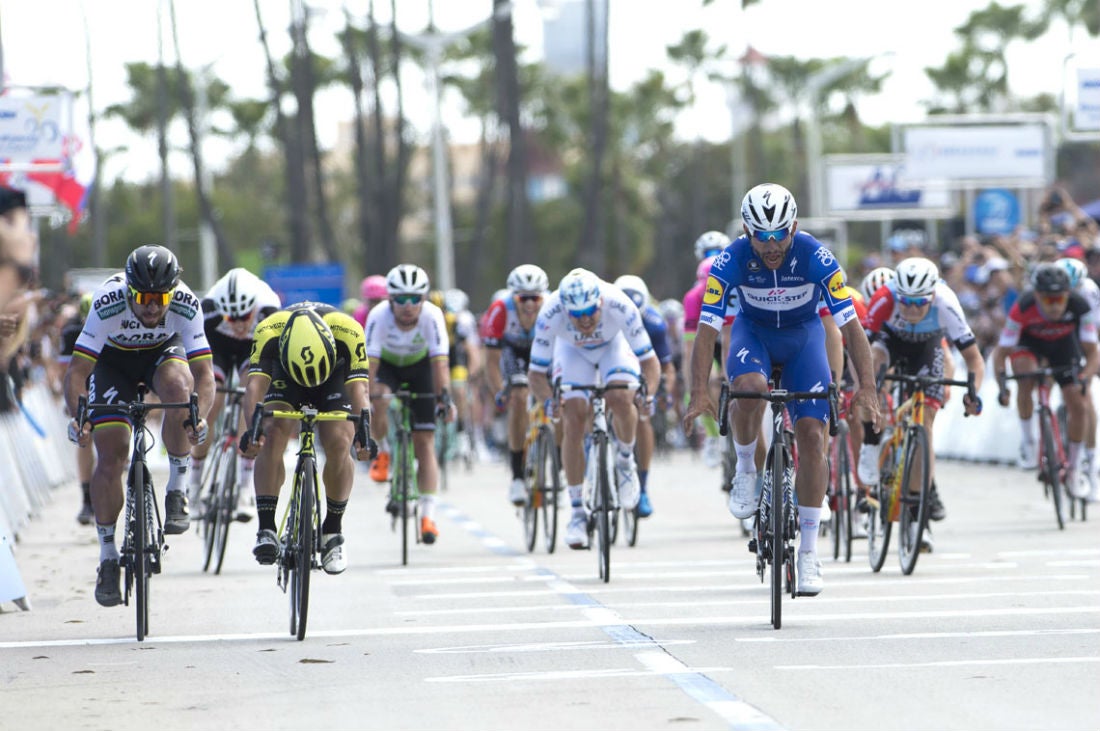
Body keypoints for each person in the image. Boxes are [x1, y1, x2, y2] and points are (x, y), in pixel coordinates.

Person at [682, 183, 883, 597]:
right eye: (762, 236)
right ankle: (745, 469)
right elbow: (706, 331)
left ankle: (808, 552)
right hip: (753, 334)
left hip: (802, 338)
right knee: (749, 388)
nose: (772, 245)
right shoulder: (730, 260)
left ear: (793, 227)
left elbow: (850, 327)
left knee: (811, 433)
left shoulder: (816, 256)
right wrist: (698, 391)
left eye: (780, 234)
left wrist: (867, 386)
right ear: (746, 231)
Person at [63, 245, 215, 608]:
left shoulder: (186, 303)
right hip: (112, 362)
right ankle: (107, 557)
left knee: (180, 391)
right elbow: (78, 371)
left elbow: (204, 374)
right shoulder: (107, 302)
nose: (152, 307)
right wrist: (79, 417)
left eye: (160, 298)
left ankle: (178, 489)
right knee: (111, 454)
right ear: (130, 291)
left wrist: (200, 417)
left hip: (162, 354)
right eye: (144, 298)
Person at [527, 268, 660, 550]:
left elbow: (649, 361)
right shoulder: (550, 313)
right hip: (571, 351)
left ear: (600, 303)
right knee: (573, 415)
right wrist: (549, 401)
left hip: (614, 347)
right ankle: (577, 513)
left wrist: (648, 394)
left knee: (621, 397)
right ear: (565, 310)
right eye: (577, 315)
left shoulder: (619, 303)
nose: (585, 320)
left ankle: (625, 460)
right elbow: (536, 375)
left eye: (590, 312)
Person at [238, 302, 373, 574]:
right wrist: (253, 431)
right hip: (285, 373)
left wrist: (365, 434)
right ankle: (266, 528)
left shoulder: (349, 331)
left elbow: (360, 389)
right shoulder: (269, 331)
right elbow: (254, 387)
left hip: (334, 374)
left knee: (340, 440)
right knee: (272, 432)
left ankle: (332, 532)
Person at [859, 257, 985, 549]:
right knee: (871, 366)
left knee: (925, 423)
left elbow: (974, 359)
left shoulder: (946, 301)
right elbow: (860, 350)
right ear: (897, 294)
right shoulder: (884, 298)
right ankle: (870, 442)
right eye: (906, 302)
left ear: (932, 296)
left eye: (920, 303)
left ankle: (918, 515)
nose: (912, 309)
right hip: (888, 343)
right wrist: (865, 389)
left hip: (927, 348)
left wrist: (973, 394)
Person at [364, 264, 455, 544]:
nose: (407, 306)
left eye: (414, 298)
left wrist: (444, 398)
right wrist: (365, 399)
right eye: (401, 299)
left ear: (424, 299)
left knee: (425, 441)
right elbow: (370, 365)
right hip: (388, 366)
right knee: (378, 397)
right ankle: (383, 451)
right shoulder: (378, 316)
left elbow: (440, 364)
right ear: (390, 299)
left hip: (420, 369)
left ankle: (428, 516)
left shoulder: (433, 316)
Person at [992, 263, 1099, 500]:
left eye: (1060, 299)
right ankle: (1028, 442)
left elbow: (1093, 353)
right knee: (1025, 376)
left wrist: (1085, 377)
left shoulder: (1080, 305)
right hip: (1029, 345)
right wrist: (1002, 385)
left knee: (1079, 405)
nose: (1055, 306)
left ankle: (1074, 469)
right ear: (1037, 296)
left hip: (1064, 347)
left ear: (1068, 295)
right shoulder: (1023, 306)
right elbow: (1000, 354)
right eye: (1048, 300)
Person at [188, 268, 281, 519]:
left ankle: (244, 489)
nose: (239, 324)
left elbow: (275, 359)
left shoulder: (270, 309)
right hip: (218, 345)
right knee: (212, 400)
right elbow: (196, 357)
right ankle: (193, 487)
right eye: (232, 318)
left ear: (254, 309)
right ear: (223, 312)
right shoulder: (208, 309)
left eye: (245, 317)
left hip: (252, 347)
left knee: (250, 393)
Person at [482, 264, 550, 506]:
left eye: (535, 298)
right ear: (514, 296)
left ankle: (560, 468)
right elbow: (491, 362)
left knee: (562, 399)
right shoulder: (500, 310)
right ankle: (518, 477)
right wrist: (500, 392)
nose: (530, 304)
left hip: (543, 351)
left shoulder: (552, 309)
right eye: (523, 298)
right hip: (513, 352)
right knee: (519, 397)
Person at [613, 274, 676, 517]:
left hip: (643, 367)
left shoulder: (654, 324)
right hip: (612, 362)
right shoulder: (607, 317)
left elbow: (666, 367)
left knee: (642, 416)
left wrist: (662, 393)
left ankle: (643, 486)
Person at [1056, 257, 1100, 498]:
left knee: (1085, 396)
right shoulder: (1049, 288)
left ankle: (1091, 464)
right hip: (1059, 339)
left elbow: (1093, 332)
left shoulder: (1087, 290)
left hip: (1086, 338)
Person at [56, 292, 96, 525]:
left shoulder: (113, 327)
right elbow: (65, 370)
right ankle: (87, 499)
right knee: (84, 439)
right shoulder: (72, 332)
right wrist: (70, 399)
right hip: (83, 387)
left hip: (106, 384)